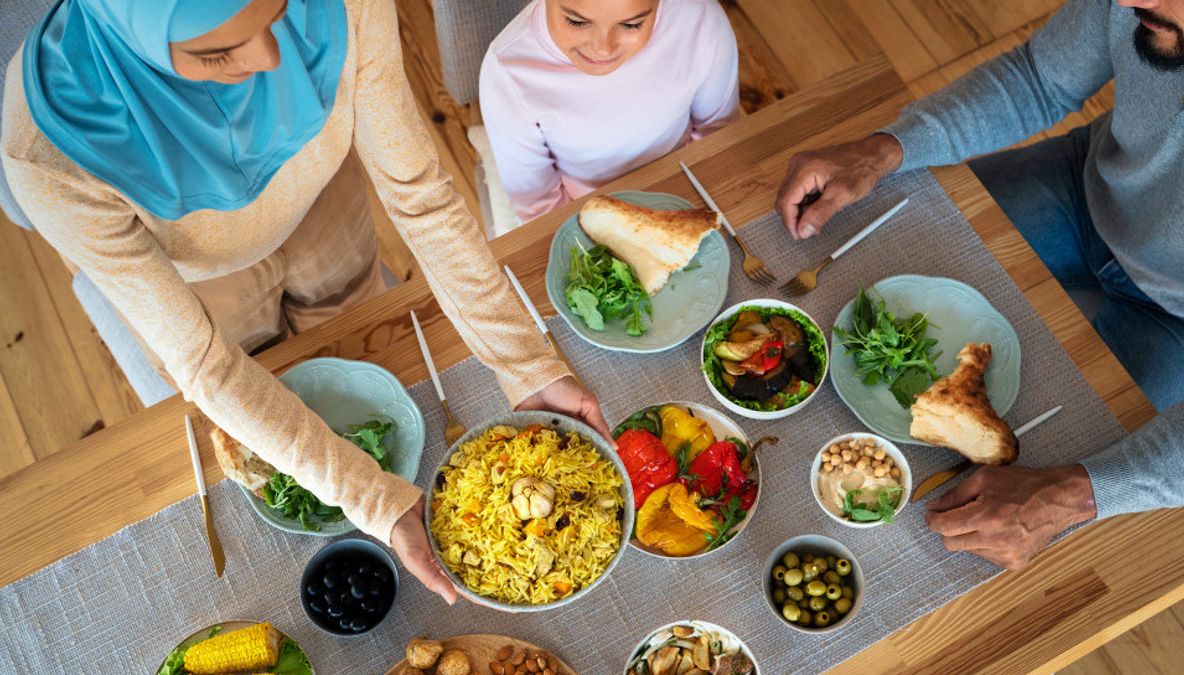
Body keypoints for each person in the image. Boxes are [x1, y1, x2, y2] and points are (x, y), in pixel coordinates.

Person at [1, 0, 609, 603]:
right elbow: (210, 368)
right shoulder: (47, 152)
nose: (271, 58)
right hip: (197, 277)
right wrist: (371, 499)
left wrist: (525, 361)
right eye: (217, 50)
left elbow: (421, 197)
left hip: (324, 196)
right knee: (257, 389)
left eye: (280, 11)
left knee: (364, 327)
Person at [773, 0, 1184, 570]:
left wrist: (1067, 496)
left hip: (1174, 318)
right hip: (1083, 186)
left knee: (1046, 485)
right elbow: (1040, 78)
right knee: (884, 227)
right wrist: (882, 150)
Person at [479, 0, 740, 223]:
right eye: (577, 22)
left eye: (631, 25)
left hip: (688, 183)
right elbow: (538, 203)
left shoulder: (700, 19)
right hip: (584, 213)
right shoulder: (508, 71)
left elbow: (718, 131)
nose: (602, 49)